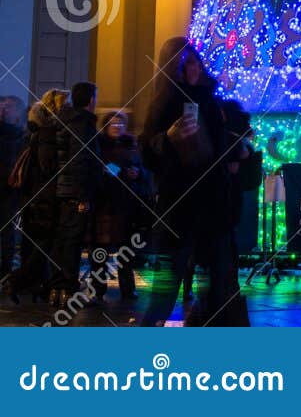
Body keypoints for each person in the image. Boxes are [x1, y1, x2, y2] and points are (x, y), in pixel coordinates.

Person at [139, 39, 247, 327]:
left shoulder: (210, 100)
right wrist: (168, 140)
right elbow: (148, 151)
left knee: (218, 284)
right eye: (186, 63)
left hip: (213, 206)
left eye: (197, 62)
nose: (194, 68)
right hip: (179, 206)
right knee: (165, 290)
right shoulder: (164, 102)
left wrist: (236, 151)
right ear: (174, 67)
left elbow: (220, 144)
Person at [6, 89, 67, 304]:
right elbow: (48, 168)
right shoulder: (50, 134)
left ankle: (35, 285)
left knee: (40, 244)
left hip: (35, 198)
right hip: (46, 200)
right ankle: (17, 280)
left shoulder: (34, 131)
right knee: (46, 245)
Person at [91, 111, 152, 306]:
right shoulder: (99, 145)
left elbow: (144, 171)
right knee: (100, 251)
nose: (117, 127)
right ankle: (98, 289)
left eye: (120, 124)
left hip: (126, 206)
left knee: (126, 251)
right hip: (105, 205)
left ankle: (128, 288)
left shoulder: (132, 146)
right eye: (113, 124)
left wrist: (138, 173)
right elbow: (98, 168)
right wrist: (120, 172)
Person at [53, 82, 102, 302]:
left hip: (66, 188)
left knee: (66, 240)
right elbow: (80, 161)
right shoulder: (82, 124)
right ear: (91, 100)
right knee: (72, 241)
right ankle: (69, 289)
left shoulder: (68, 121)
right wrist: (83, 196)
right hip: (75, 191)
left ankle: (60, 289)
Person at [0, 97, 27, 285]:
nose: (3, 110)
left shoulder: (21, 137)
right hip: (8, 189)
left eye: (7, 107)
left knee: (7, 231)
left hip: (9, 191)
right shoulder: (18, 136)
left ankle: (6, 268)